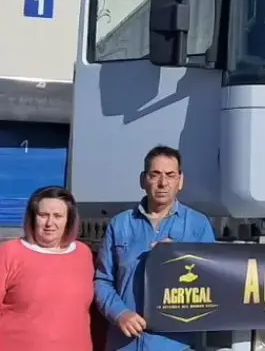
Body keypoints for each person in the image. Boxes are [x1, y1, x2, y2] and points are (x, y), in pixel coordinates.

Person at [94, 145, 217, 351]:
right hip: (124, 343)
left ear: (181, 181)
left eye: (170, 175)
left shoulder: (198, 225)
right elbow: (102, 280)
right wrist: (120, 314)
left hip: (175, 345)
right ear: (143, 180)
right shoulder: (120, 224)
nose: (162, 183)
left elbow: (213, 281)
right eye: (155, 174)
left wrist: (181, 258)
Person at [0, 186, 94, 351]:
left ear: (68, 220)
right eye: (43, 215)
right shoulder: (10, 252)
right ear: (32, 217)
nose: (50, 223)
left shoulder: (83, 254)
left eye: (58, 216)